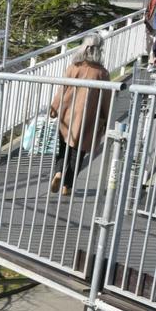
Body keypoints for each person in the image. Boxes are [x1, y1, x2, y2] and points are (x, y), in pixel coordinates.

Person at [48, 34, 112, 196]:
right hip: (88, 119)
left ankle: (58, 172)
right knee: (78, 153)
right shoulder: (102, 73)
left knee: (63, 148)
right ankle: (67, 186)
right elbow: (106, 99)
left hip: (67, 114)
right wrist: (107, 117)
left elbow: (62, 90)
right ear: (99, 51)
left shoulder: (73, 67)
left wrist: (54, 108)